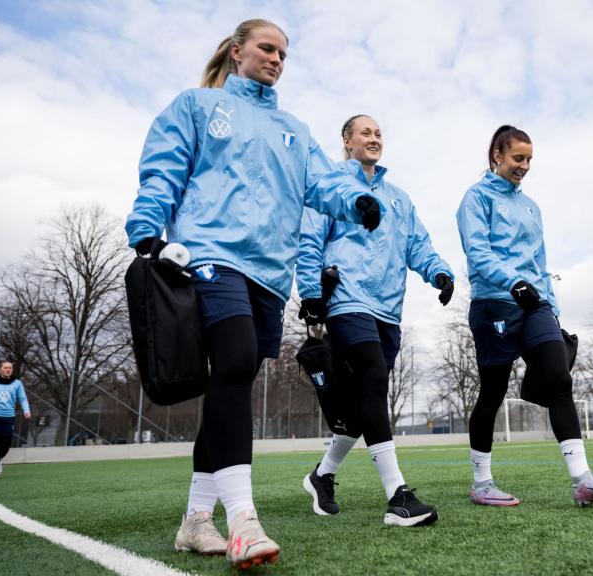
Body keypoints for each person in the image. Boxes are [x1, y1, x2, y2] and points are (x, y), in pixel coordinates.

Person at [125, 19, 382, 568]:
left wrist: (356, 200)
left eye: (284, 53)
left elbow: (324, 184)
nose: (276, 59)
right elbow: (163, 168)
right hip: (209, 253)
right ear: (238, 51)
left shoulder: (295, 129)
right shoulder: (198, 105)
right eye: (267, 48)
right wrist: (149, 226)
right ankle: (243, 519)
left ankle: (196, 521)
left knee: (231, 382)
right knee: (237, 362)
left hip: (269, 272)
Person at [455, 125, 593, 507]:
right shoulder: (476, 198)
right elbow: (477, 253)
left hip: (536, 305)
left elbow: (541, 263)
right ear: (497, 156)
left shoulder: (531, 207)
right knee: (492, 392)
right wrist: (512, 282)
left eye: (529, 159)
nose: (525, 166)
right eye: (518, 158)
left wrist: (553, 309)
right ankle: (481, 483)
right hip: (495, 304)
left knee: (558, 378)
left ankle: (583, 480)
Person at [297, 114, 454, 526]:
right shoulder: (332, 188)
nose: (374, 138)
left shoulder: (399, 198)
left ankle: (322, 475)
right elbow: (309, 241)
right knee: (371, 379)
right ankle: (397, 495)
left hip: (388, 308)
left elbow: (417, 244)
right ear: (346, 141)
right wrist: (311, 295)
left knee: (361, 404)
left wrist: (439, 271)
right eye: (365, 132)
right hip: (346, 300)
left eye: (379, 132)